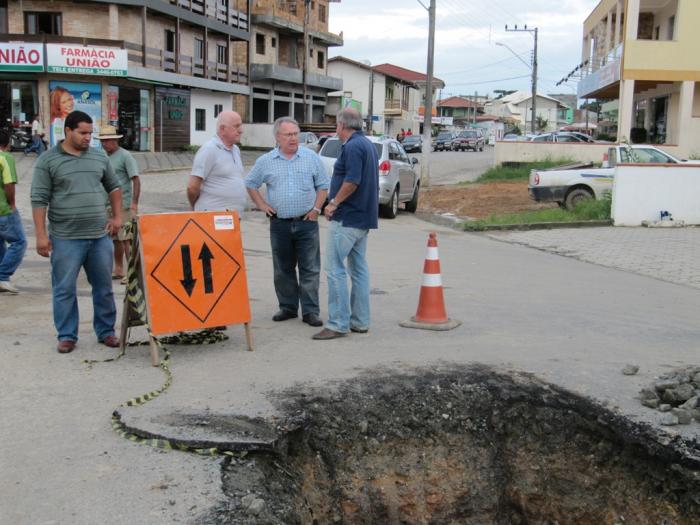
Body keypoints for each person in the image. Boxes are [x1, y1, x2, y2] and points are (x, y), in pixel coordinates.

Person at [31, 111, 123, 354]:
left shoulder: (98, 157)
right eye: (83, 133)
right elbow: (39, 199)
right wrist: (41, 235)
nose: (88, 138)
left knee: (103, 287)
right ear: (68, 131)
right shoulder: (48, 160)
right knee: (64, 288)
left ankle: (106, 332)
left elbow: (114, 187)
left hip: (99, 235)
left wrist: (117, 217)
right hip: (65, 238)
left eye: (90, 133)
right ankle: (67, 335)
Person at [245, 117, 329, 327]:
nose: (293, 138)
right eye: (288, 135)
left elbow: (323, 185)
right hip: (280, 224)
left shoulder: (310, 157)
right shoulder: (266, 161)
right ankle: (288, 307)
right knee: (283, 268)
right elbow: (251, 183)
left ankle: (310, 311)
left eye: (295, 134)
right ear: (277, 137)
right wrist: (262, 205)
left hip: (306, 222)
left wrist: (317, 208)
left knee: (310, 268)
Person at [313, 108, 379, 340]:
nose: (335, 128)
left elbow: (352, 181)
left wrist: (333, 203)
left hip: (348, 218)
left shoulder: (352, 147)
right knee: (358, 269)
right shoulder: (368, 144)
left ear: (342, 125)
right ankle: (360, 321)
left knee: (334, 269)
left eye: (336, 124)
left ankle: (338, 323)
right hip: (363, 217)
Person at [97, 125, 140, 284]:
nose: (104, 144)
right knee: (115, 238)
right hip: (108, 204)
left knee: (126, 239)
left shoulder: (125, 156)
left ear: (115, 140)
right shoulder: (103, 156)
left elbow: (135, 179)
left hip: (124, 204)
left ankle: (132, 272)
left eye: (107, 141)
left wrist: (134, 203)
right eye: (102, 141)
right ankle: (119, 268)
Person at [187, 110, 247, 214]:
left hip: (232, 217)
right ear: (222, 129)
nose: (241, 130)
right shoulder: (209, 149)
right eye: (236, 126)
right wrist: (195, 206)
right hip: (213, 217)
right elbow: (192, 187)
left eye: (240, 126)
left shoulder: (235, 150)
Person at [0, 130, 27, 294]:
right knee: (19, 242)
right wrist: (12, 203)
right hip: (3, 209)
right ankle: (2, 276)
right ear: (7, 143)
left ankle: (2, 279)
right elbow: (9, 183)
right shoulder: (5, 158)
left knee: (0, 244)